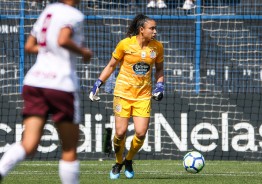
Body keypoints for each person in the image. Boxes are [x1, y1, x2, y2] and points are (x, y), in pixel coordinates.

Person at [0, 0, 92, 183]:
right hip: (60, 84)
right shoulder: (74, 15)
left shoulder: (48, 11)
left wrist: (50, 50)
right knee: (69, 149)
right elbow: (63, 40)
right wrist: (83, 52)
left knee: (29, 144)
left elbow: (29, 46)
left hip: (35, 82)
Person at [89, 14, 164, 179]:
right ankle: (118, 162)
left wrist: (160, 86)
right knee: (121, 132)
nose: (155, 31)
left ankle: (128, 160)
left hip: (143, 95)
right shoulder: (125, 44)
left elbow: (159, 69)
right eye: (152, 28)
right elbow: (111, 66)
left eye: (155, 28)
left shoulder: (157, 47)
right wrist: (97, 85)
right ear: (141, 30)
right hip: (123, 93)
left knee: (141, 132)